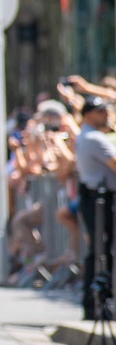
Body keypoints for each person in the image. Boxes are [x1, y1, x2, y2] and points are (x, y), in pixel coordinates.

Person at [74, 97, 116, 321]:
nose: (107, 115)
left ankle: (94, 303)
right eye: (102, 112)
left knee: (99, 250)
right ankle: (97, 302)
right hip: (100, 200)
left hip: (95, 198)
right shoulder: (94, 138)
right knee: (102, 251)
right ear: (89, 114)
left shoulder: (85, 136)